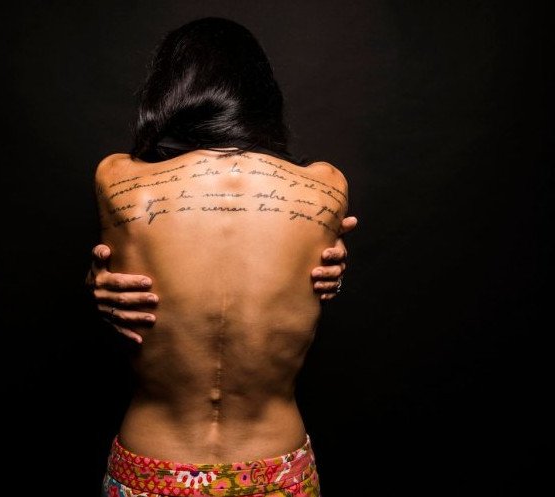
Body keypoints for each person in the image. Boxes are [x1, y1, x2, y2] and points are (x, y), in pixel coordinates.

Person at [90, 17, 357, 497]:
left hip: (155, 465)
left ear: (170, 91)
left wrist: (94, 278)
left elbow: (114, 263)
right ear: (262, 97)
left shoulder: (118, 179)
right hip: (277, 469)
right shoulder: (325, 187)